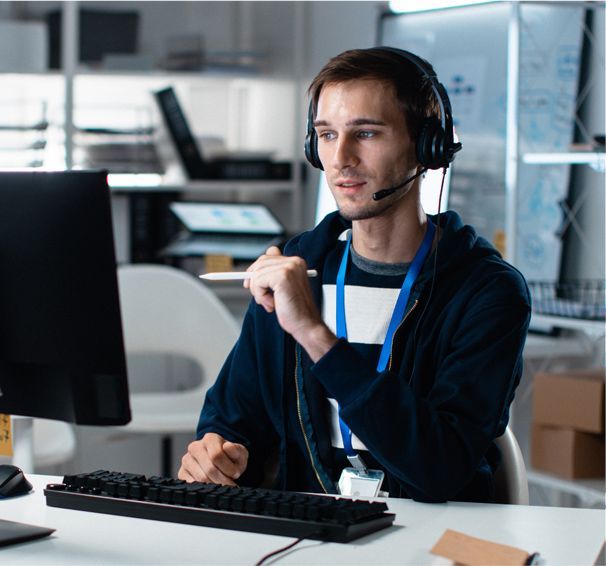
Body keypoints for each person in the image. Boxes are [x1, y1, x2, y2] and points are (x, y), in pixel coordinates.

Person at [177, 47, 531, 503]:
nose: (340, 158)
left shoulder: (486, 292)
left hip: (432, 535)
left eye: (365, 133)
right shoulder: (296, 267)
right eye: (326, 135)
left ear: (427, 147)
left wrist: (313, 333)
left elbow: (440, 469)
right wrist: (220, 453)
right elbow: (233, 417)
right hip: (307, 531)